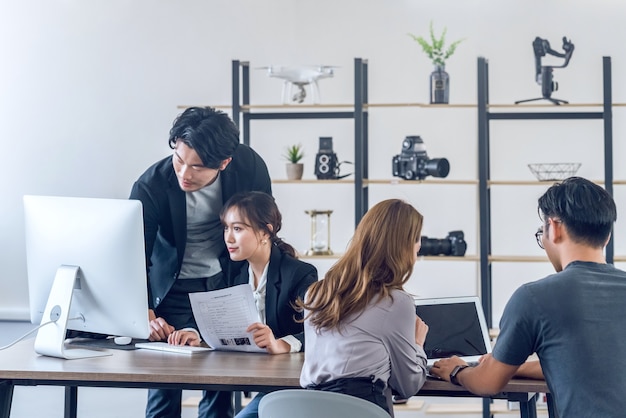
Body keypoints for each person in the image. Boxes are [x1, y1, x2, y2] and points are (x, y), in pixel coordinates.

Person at [430, 176, 626, 417]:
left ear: (554, 228)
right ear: (606, 236)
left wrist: (457, 370)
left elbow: (488, 382)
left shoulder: (534, 298)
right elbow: (585, 365)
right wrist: (514, 366)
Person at [129, 107, 271, 418]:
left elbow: (263, 232)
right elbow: (133, 255)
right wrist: (145, 312)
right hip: (171, 289)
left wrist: (263, 293)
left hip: (225, 284)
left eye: (197, 167)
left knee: (219, 387)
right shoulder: (150, 186)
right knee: (164, 390)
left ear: (224, 163)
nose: (184, 174)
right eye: (179, 160)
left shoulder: (250, 169)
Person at [168, 191, 318, 418]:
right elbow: (210, 311)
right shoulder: (230, 270)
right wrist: (192, 332)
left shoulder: (299, 273)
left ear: (264, 232)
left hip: (294, 385)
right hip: (254, 378)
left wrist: (281, 344)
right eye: (226, 228)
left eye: (237, 229)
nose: (228, 238)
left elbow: (320, 330)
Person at [298, 199, 429, 416]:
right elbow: (408, 386)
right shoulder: (396, 303)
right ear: (404, 246)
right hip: (360, 409)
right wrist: (417, 345)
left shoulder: (316, 293)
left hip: (311, 409)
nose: (420, 246)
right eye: (417, 240)